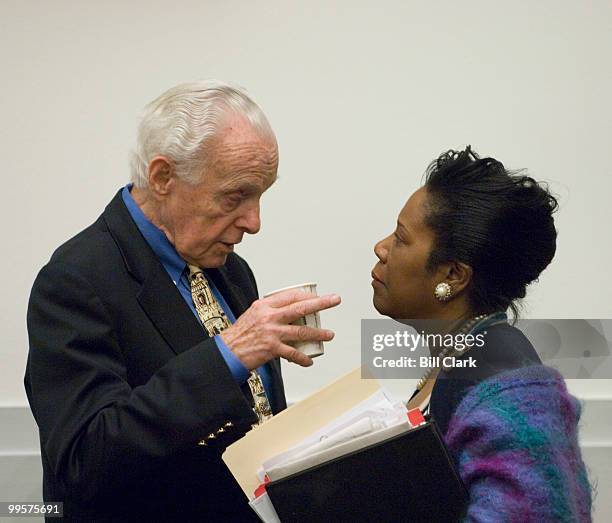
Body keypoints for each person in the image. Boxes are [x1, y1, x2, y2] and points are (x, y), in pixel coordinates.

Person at [25, 80, 341, 522]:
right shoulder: (76, 279)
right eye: (235, 196)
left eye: (261, 195)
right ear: (162, 178)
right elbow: (85, 459)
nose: (254, 222)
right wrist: (226, 355)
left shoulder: (231, 271)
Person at [371, 147, 592, 521]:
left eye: (401, 238)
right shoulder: (457, 361)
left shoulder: (511, 388)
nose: (381, 248)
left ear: (453, 277)